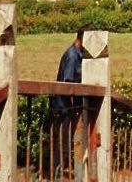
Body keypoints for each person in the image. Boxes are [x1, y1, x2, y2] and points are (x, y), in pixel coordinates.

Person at [47, 24, 94, 177]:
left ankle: (57, 173)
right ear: (81, 40)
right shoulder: (73, 56)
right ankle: (54, 175)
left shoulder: (76, 54)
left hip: (66, 107)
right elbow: (68, 84)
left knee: (64, 143)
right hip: (63, 107)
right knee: (62, 144)